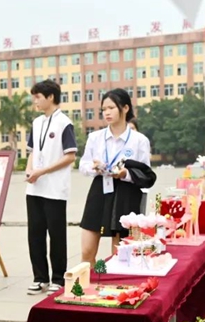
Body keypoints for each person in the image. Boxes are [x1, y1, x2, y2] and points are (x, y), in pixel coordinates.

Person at [79, 88, 153, 265]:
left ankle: (116, 281)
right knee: (87, 251)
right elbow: (83, 165)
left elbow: (145, 174)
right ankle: (89, 280)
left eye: (111, 108)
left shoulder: (139, 140)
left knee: (120, 252)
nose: (107, 113)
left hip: (126, 194)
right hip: (100, 189)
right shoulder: (95, 137)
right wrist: (94, 168)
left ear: (125, 108)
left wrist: (125, 174)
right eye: (104, 109)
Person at [24, 79, 77, 295]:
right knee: (35, 234)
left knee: (56, 235)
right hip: (34, 188)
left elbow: (70, 156)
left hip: (55, 189)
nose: (35, 101)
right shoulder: (37, 123)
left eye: (38, 97)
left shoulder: (64, 123)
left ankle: (58, 278)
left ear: (51, 97)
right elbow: (32, 151)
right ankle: (40, 278)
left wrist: (42, 171)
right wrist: (30, 170)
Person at [127, 117, 149, 214]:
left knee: (138, 216)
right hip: (122, 189)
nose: (130, 132)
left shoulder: (142, 142)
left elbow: (145, 167)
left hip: (139, 186)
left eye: (132, 128)